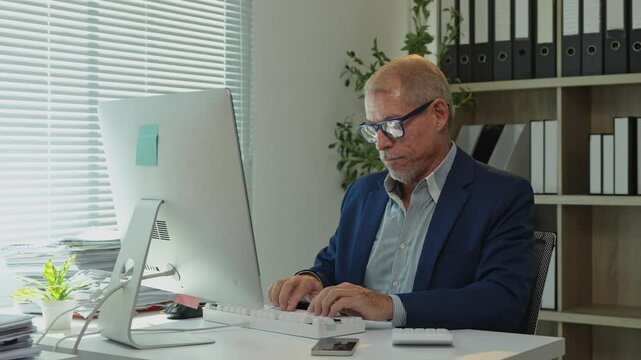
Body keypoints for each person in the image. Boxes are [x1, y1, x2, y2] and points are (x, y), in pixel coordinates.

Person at [267, 55, 534, 332]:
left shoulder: (501, 196)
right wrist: (312, 280)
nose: (381, 144)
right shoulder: (362, 193)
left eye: (393, 126)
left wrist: (389, 306)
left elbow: (503, 301)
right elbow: (333, 265)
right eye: (373, 129)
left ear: (439, 114)